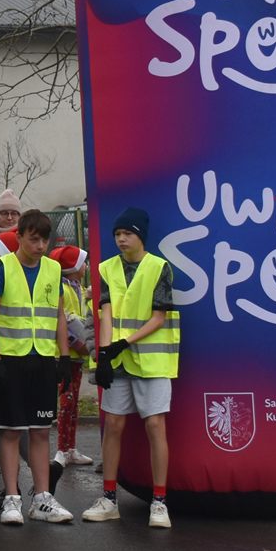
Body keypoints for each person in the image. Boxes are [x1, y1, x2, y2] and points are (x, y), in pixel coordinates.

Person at [82, 209, 175, 527]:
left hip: (152, 361)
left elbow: (159, 317)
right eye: (117, 234)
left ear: (140, 236)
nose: (121, 239)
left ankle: (159, 502)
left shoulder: (159, 267)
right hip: (118, 359)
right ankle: (109, 499)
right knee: (113, 425)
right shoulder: (106, 268)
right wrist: (104, 354)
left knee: (155, 426)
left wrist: (125, 342)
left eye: (127, 234)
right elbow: (105, 312)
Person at [0, 209, 73, 525]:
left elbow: (58, 315)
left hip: (43, 359)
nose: (40, 246)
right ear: (19, 236)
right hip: (10, 360)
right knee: (10, 431)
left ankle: (42, 498)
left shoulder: (53, 269)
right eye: (34, 239)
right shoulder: (1, 268)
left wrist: (64, 357)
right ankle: (12, 497)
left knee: (40, 430)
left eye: (44, 240)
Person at [50, 244, 94, 471]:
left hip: (77, 356)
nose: (86, 266)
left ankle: (71, 448)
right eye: (83, 262)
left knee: (74, 404)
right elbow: (62, 321)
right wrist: (78, 343)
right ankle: (61, 449)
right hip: (64, 356)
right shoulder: (62, 290)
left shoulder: (78, 288)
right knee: (66, 404)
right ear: (74, 267)